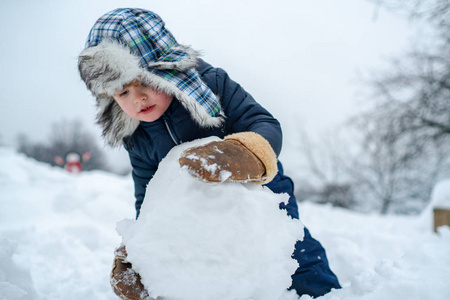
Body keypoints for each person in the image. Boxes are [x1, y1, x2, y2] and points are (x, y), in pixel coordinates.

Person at [78, 8, 340, 300]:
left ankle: (322, 294)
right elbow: (148, 195)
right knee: (205, 271)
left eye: (145, 81)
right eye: (122, 93)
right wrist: (143, 248)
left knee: (293, 253)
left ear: (166, 69)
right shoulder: (137, 136)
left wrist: (245, 151)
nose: (137, 98)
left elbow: (263, 123)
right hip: (196, 213)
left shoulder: (211, 85)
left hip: (258, 195)